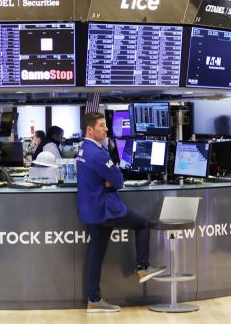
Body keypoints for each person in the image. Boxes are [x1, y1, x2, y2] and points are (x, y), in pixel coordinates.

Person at [76, 112, 165, 313]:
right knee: (143, 223)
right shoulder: (98, 154)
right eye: (101, 125)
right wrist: (111, 180)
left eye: (105, 125)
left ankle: (94, 300)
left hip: (93, 211)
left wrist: (109, 180)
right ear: (89, 130)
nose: (106, 129)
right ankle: (143, 268)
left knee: (95, 255)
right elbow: (118, 180)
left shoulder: (83, 150)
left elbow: (110, 179)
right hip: (107, 209)